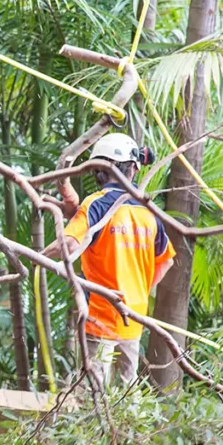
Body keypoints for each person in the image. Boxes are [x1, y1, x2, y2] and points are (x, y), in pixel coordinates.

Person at [42, 133, 176, 388]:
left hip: (101, 316)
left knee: (92, 393)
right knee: (128, 391)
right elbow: (166, 260)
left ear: (98, 170)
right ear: (133, 168)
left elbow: (69, 243)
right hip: (134, 314)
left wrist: (36, 257)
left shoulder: (96, 204)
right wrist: (138, 291)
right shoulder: (148, 210)